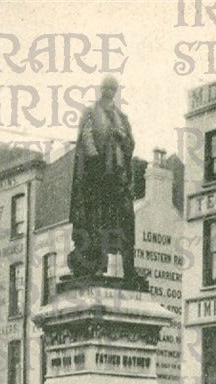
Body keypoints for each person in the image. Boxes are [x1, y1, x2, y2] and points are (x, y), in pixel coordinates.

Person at [69, 76, 139, 287]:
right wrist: (96, 163)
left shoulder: (122, 118)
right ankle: (96, 264)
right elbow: (86, 138)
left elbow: (130, 145)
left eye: (113, 88)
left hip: (119, 180)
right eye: (107, 87)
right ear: (101, 89)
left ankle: (129, 270)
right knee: (97, 221)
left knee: (127, 221)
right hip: (98, 179)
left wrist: (122, 137)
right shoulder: (90, 113)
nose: (110, 91)